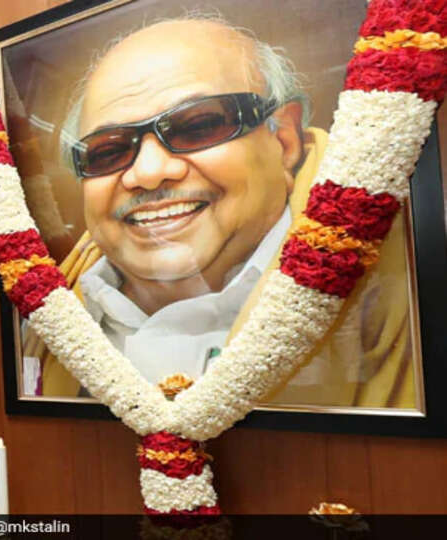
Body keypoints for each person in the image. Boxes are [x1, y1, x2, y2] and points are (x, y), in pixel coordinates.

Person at [33, 17, 414, 408]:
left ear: (284, 141)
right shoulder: (51, 311)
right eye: (109, 151)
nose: (148, 173)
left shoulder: (408, 287)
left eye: (198, 126)